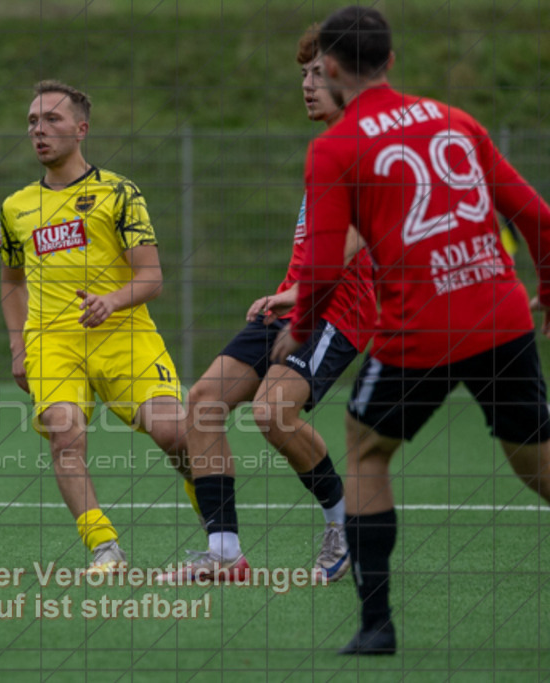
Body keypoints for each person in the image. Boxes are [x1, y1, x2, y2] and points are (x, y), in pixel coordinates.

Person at [272, 6, 550, 655]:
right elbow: (538, 217)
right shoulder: (456, 120)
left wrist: (300, 328)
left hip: (421, 329)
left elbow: (321, 267)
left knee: (367, 452)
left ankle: (377, 626)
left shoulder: (334, 147)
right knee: (537, 464)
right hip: (501, 315)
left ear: (330, 66)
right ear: (390, 61)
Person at [160, 24, 377, 585]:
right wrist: (290, 294)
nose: (306, 84)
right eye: (303, 74)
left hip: (337, 312)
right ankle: (225, 554)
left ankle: (345, 524)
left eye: (318, 74)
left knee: (272, 412)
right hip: (294, 306)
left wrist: (298, 292)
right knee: (203, 402)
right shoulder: (325, 148)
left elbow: (357, 235)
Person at [0, 80, 193, 574]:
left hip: (123, 332)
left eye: (52, 119)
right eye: (32, 121)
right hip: (52, 342)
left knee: (175, 432)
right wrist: (19, 346)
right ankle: (104, 547)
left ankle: (219, 535)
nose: (38, 130)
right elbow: (11, 281)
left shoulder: (119, 193)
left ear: (81, 129)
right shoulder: (15, 207)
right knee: (64, 435)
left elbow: (151, 277)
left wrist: (111, 301)